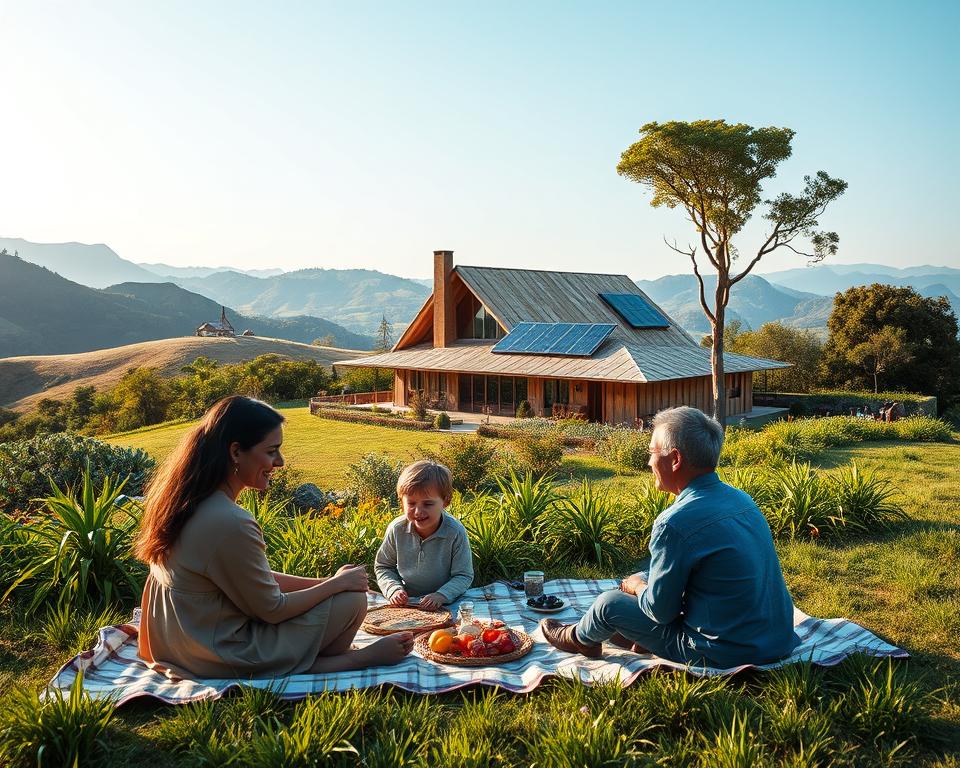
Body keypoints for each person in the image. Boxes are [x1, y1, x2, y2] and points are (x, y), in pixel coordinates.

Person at [135, 396, 413, 679]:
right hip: (218, 652)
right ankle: (353, 660)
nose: (279, 462)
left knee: (344, 591)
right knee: (352, 601)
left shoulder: (185, 500)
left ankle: (313, 655)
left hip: (178, 642)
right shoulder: (230, 521)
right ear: (235, 452)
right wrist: (336, 588)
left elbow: (255, 580)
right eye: (271, 451)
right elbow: (273, 610)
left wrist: (330, 583)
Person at [541, 406, 799, 668]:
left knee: (609, 603)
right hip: (777, 641)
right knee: (646, 579)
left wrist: (637, 587)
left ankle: (578, 638)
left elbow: (661, 612)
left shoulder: (674, 523)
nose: (649, 462)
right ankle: (632, 634)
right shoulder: (743, 500)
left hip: (720, 652)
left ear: (675, 459)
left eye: (652, 453)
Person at [375, 460, 474, 611]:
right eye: (411, 504)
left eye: (428, 504)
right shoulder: (397, 529)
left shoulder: (455, 531)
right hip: (406, 603)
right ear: (402, 502)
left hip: (447, 602)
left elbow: (463, 575)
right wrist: (394, 589)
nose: (418, 512)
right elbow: (383, 566)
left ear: (446, 502)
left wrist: (441, 595)